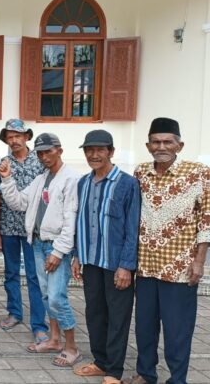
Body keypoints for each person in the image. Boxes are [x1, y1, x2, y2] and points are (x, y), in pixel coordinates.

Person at [125, 118, 210, 384]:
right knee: (144, 327)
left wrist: (199, 261)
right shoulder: (141, 172)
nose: (161, 147)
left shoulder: (198, 173)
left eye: (167, 142)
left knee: (177, 330)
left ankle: (177, 379)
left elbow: (206, 220)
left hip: (180, 269)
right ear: (148, 145)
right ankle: (146, 373)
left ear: (179, 145)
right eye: (156, 142)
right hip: (146, 266)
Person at [0, 133, 81, 367]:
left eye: (48, 152)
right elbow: (19, 203)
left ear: (59, 151)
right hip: (37, 242)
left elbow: (71, 220)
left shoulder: (71, 178)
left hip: (55, 245)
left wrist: (59, 252)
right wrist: (7, 179)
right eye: (40, 153)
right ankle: (54, 340)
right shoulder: (41, 178)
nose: (44, 157)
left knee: (57, 297)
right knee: (45, 294)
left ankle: (72, 347)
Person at [70, 130, 140, 384]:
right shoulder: (83, 183)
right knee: (95, 313)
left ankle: (114, 371)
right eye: (89, 150)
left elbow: (133, 228)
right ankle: (100, 361)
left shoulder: (127, 184)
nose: (94, 155)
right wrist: (77, 255)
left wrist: (126, 266)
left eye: (100, 150)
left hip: (115, 264)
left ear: (111, 152)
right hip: (91, 260)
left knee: (117, 317)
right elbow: (80, 222)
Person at [0, 119, 48, 342]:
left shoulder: (41, 161)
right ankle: (14, 312)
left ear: (27, 137)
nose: (14, 140)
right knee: (11, 273)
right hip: (8, 226)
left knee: (35, 276)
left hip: (33, 229)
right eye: (10, 137)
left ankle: (39, 324)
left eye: (18, 136)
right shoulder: (2, 164)